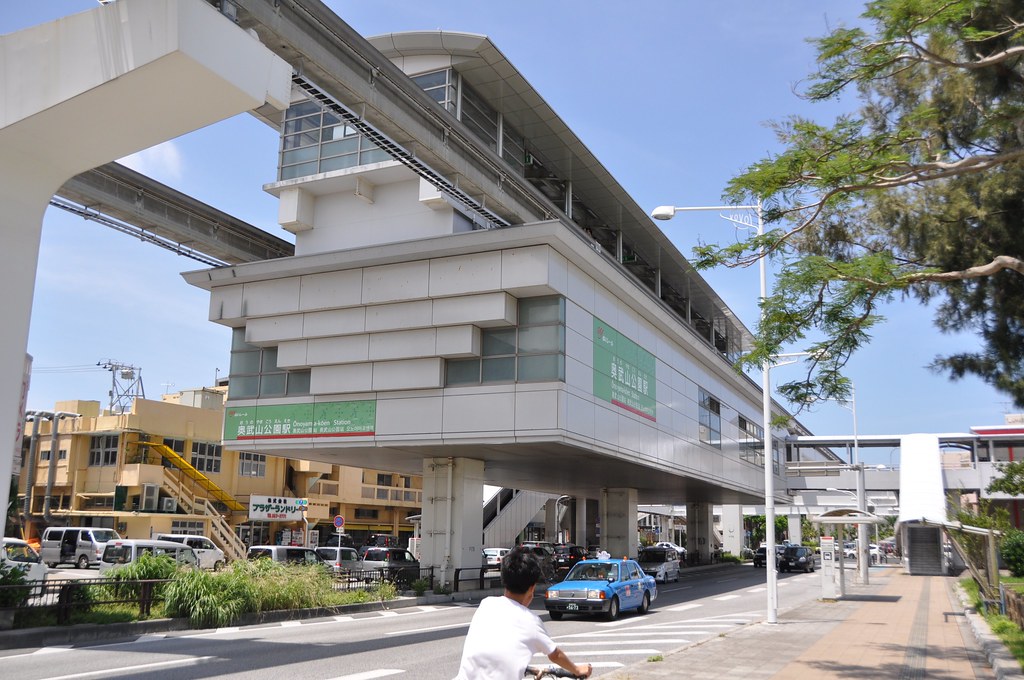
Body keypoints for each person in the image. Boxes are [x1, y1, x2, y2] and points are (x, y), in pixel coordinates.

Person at [454, 546, 592, 680]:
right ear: (532, 588)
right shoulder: (531, 621)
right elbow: (555, 655)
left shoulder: (486, 604)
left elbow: (497, 648)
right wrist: (578, 670)